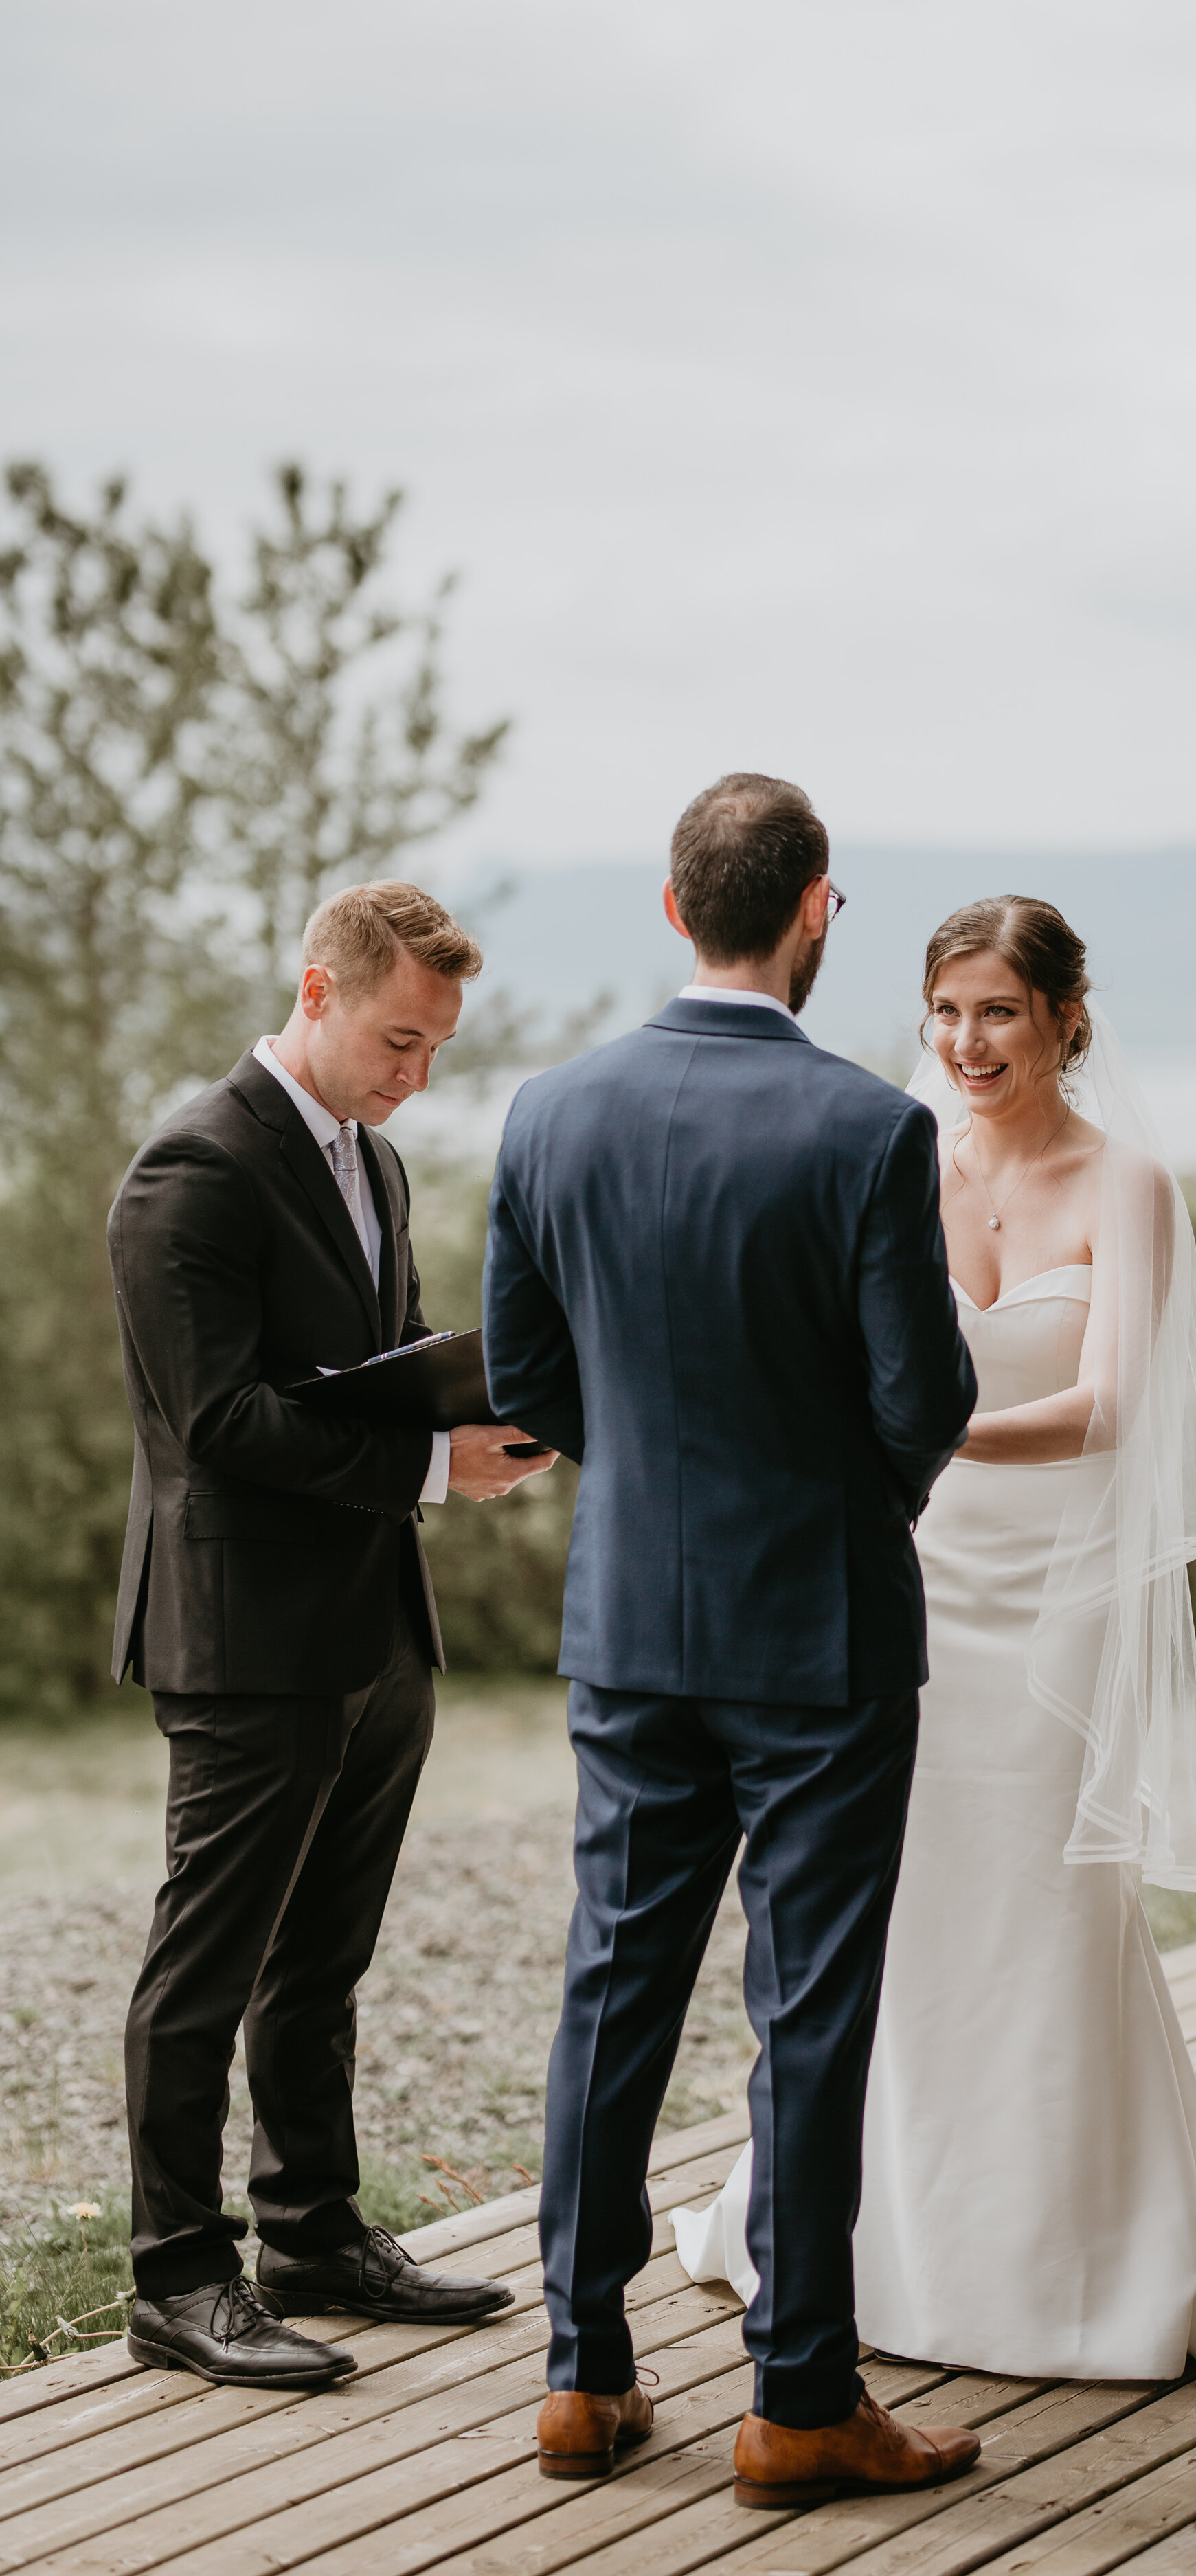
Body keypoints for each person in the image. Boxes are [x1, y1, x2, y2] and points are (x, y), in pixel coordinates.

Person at [677, 896, 1196, 2374]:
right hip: (904, 1597)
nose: (965, 1042)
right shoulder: (894, 1159)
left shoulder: (1127, 1189)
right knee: (897, 1920)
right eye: (943, 1011)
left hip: (1048, 1613)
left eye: (996, 1010)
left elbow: (1112, 1405)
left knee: (1044, 1920)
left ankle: (1063, 2251)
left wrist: (919, 1437)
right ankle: (877, 2238)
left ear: (1065, 1017)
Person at [484, 775, 983, 2507]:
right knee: (811, 2012)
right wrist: (850, 1509)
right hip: (824, 1634)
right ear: (816, 908)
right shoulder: (868, 1131)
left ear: (673, 904)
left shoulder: (548, 1115)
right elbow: (924, 1394)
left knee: (611, 1985)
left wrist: (659, 1502)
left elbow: (530, 1382)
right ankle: (795, 2396)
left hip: (629, 1623)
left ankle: (579, 2375)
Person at [109, 881, 556, 2391]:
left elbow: (361, 1367)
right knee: (207, 1965)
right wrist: (435, 1467)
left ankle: (309, 2232)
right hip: (246, 1633)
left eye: (435, 1050)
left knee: (323, 1959)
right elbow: (215, 1421)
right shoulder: (191, 1167)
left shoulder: (370, 1157)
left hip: (374, 1619)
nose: (413, 1074)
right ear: (317, 991)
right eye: (396, 1039)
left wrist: (465, 1412)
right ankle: (176, 2277)